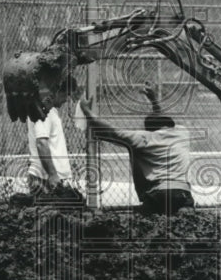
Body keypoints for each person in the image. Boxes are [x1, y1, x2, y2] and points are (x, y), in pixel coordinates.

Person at [78, 82, 194, 216]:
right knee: (187, 226)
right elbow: (161, 120)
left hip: (158, 192)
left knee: (147, 226)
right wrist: (154, 101)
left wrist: (88, 113)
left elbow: (113, 132)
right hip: (183, 192)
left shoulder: (144, 138)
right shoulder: (182, 133)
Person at [26, 88, 74, 195]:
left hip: (49, 178)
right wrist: (53, 175)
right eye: (65, 95)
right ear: (56, 92)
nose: (66, 100)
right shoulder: (44, 110)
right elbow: (41, 143)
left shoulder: (48, 109)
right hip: (46, 179)